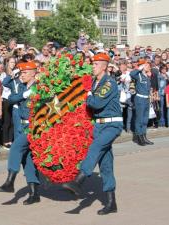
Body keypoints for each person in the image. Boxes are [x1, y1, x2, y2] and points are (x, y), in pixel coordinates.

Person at [61, 53, 122, 215]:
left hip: (112, 124)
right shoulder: (95, 82)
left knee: (95, 147)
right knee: (105, 164)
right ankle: (111, 203)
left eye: (95, 64)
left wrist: (88, 93)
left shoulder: (109, 83)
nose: (92, 67)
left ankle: (79, 180)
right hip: (99, 126)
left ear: (104, 66)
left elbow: (96, 103)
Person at [0, 62, 40, 206]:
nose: (22, 75)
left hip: (33, 127)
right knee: (26, 159)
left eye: (25, 73)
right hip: (21, 125)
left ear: (34, 73)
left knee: (15, 147)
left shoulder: (40, 87)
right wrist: (24, 94)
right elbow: (11, 99)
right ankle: (34, 193)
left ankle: (10, 181)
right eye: (21, 73)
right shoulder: (22, 87)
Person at [130, 59, 153, 146]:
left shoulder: (146, 76)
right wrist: (139, 68)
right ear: (143, 66)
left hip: (146, 99)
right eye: (147, 65)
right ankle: (139, 137)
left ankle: (144, 137)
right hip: (140, 99)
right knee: (139, 119)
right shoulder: (138, 75)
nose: (149, 67)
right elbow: (131, 74)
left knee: (145, 119)